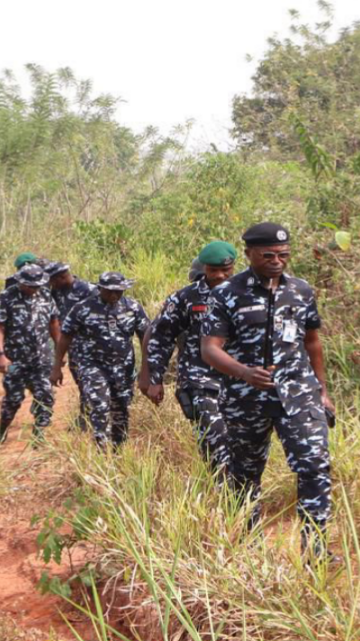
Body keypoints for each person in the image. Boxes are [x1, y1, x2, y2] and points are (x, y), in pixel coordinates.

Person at [201, 222, 335, 558]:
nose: (277, 261)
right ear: (249, 254)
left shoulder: (301, 290)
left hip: (298, 393)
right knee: (245, 474)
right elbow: (210, 349)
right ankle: (248, 546)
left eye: (283, 255)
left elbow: (312, 342)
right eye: (268, 256)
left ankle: (316, 548)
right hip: (246, 399)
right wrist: (244, 372)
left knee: (314, 465)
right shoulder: (226, 294)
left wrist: (322, 391)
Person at [141, 241, 237, 474]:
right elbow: (161, 336)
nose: (220, 275)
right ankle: (225, 490)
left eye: (225, 270)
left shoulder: (247, 293)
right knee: (217, 435)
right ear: (204, 268)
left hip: (240, 379)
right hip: (199, 379)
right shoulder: (185, 298)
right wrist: (154, 377)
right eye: (213, 270)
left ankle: (232, 486)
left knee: (237, 442)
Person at [53, 272, 149, 451]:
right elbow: (66, 336)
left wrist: (147, 369)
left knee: (121, 409)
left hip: (123, 368)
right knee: (99, 404)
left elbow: (145, 336)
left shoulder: (133, 308)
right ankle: (102, 448)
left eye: (118, 291)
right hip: (93, 366)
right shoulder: (83, 308)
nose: (114, 295)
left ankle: (119, 450)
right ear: (100, 288)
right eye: (109, 291)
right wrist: (57, 366)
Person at [0, 264, 60, 443]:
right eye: (29, 285)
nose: (33, 289)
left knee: (45, 395)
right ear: (20, 282)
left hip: (42, 358)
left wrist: (59, 350)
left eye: (36, 285)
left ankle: (39, 432)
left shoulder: (46, 295)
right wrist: (0, 354)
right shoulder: (6, 297)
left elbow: (53, 323)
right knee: (13, 399)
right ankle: (2, 428)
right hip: (15, 359)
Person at [47, 261, 96, 430]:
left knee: (91, 382)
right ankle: (86, 417)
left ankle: (89, 419)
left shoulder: (89, 290)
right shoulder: (56, 292)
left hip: (92, 347)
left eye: (52, 281)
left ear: (61, 277)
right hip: (72, 346)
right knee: (81, 383)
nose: (50, 285)